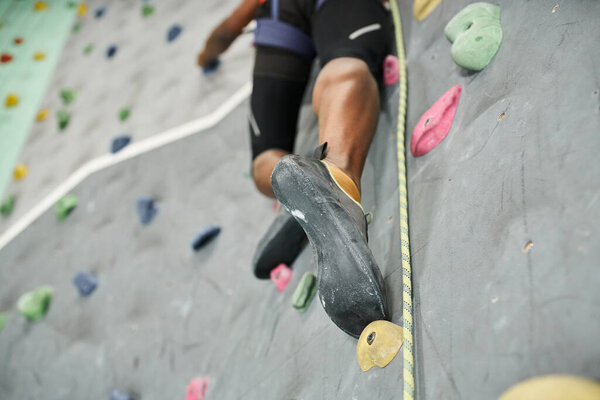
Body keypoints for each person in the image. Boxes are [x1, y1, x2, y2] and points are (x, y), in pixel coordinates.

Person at [198, 0, 392, 338]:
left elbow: (224, 34)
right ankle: (336, 180)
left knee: (265, 158)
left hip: (276, 11)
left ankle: (301, 185)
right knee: (346, 68)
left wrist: (208, 53)